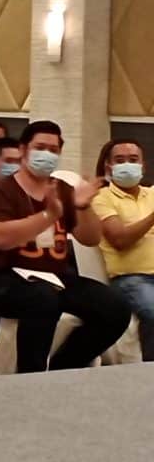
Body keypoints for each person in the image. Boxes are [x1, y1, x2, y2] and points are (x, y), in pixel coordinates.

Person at [0, 121, 131, 373]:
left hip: (54, 277)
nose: (46, 154)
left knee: (115, 307)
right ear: (23, 150)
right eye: (40, 147)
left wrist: (82, 207)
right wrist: (48, 215)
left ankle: (64, 368)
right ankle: (30, 376)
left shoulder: (62, 189)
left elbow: (90, 238)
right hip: (3, 277)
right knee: (42, 299)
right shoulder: (2, 190)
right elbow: (1, 239)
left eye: (53, 150)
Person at [92, 140, 154, 360]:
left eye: (133, 160)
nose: (127, 164)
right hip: (132, 278)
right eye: (120, 160)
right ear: (108, 166)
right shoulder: (101, 198)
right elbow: (120, 239)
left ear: (143, 165)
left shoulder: (152, 194)